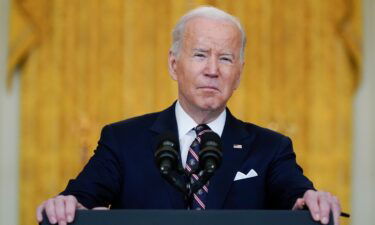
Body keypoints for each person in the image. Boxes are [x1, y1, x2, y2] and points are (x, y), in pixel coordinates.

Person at [36, 6, 341, 225]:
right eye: (199, 55)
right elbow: (79, 197)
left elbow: (295, 193)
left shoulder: (270, 148)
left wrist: (309, 200)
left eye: (225, 58)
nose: (212, 70)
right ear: (173, 65)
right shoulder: (123, 140)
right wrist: (67, 205)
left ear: (238, 75)